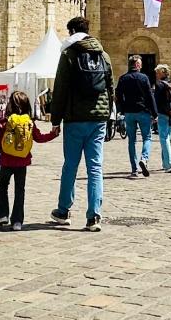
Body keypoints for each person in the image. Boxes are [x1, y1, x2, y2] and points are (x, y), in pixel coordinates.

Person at [48, 17, 113, 231]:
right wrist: (109, 116)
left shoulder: (69, 55)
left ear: (73, 31)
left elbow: (60, 89)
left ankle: (63, 210)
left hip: (75, 118)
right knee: (95, 167)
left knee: (71, 165)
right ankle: (94, 216)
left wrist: (55, 120)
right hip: (99, 119)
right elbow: (110, 88)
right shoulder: (104, 55)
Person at [0, 89, 57, 230]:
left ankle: (2, 214)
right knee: (19, 189)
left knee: (3, 186)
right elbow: (39, 138)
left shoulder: (5, 122)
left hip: (6, 161)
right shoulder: (29, 123)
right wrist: (53, 135)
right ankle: (17, 221)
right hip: (22, 161)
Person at [114, 55, 156, 178]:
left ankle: (134, 169)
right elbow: (149, 95)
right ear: (137, 65)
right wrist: (154, 113)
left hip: (129, 112)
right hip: (143, 111)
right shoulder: (144, 78)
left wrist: (122, 109)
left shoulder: (123, 78)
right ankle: (144, 158)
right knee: (147, 137)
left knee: (131, 141)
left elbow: (118, 95)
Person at [152, 65, 171, 172]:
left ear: (163, 73)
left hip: (163, 113)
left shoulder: (159, 85)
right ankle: (165, 162)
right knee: (167, 138)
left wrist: (154, 114)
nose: (156, 75)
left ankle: (169, 164)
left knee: (164, 138)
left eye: (157, 72)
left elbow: (156, 100)